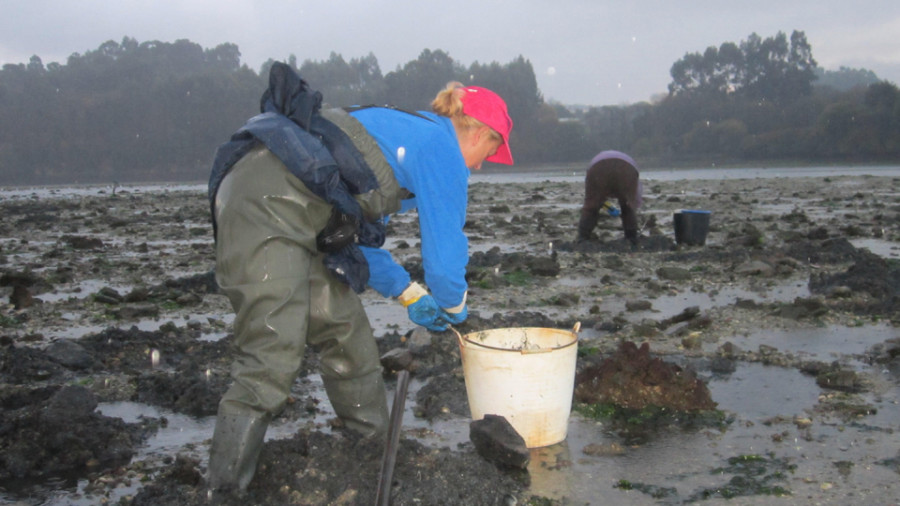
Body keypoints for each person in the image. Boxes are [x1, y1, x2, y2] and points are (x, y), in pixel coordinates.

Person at [204, 62, 513, 495]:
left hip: (304, 215)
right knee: (271, 353)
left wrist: (407, 292)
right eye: (490, 154)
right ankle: (223, 490)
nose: (481, 167)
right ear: (480, 133)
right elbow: (445, 256)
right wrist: (456, 308)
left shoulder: (405, 136)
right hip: (266, 206)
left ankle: (370, 453)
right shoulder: (441, 148)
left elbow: (354, 240)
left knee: (345, 332)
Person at [577, 150, 643, 245]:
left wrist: (597, 202)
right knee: (627, 207)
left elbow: (591, 204)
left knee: (591, 207)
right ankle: (631, 238)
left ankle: (582, 238)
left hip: (598, 167)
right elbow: (634, 203)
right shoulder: (636, 182)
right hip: (627, 168)